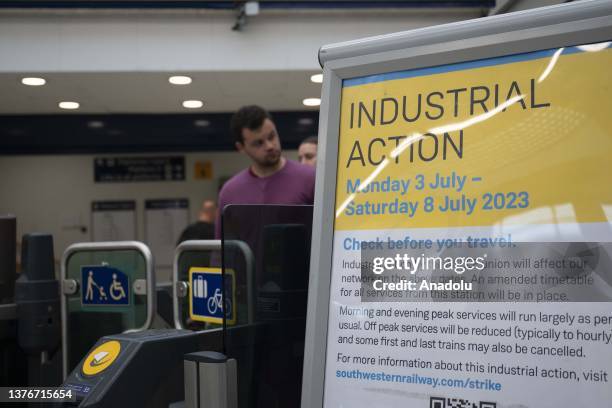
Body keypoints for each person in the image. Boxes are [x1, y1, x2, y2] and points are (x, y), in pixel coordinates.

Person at [215, 105, 316, 237]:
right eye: (258, 143)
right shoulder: (230, 191)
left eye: (271, 136)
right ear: (241, 148)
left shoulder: (309, 178)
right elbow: (220, 249)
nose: (269, 146)